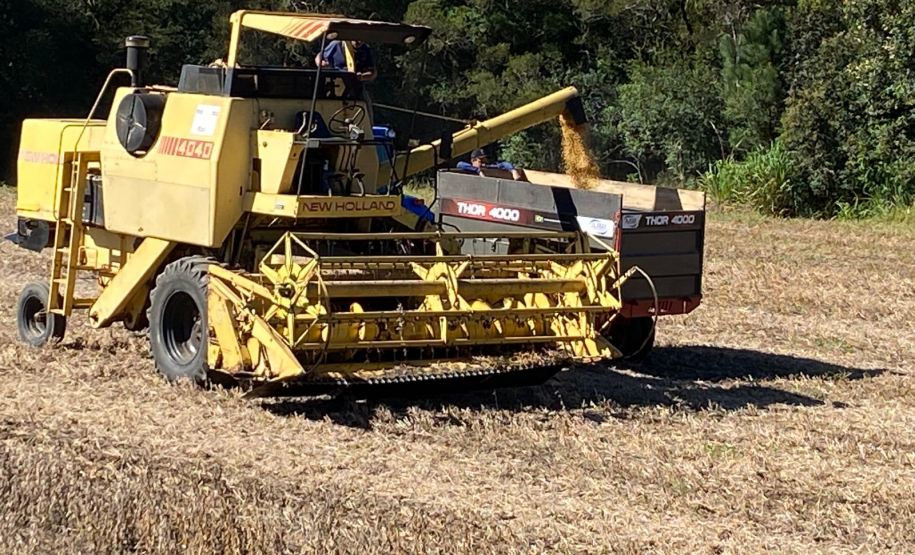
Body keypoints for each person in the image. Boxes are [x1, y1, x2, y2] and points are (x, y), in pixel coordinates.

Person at [457, 148, 528, 182]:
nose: (484, 163)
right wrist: (477, 170)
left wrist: (513, 170)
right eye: (481, 161)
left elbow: (503, 164)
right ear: (473, 161)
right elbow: (460, 164)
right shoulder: (469, 167)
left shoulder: (488, 167)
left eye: (485, 160)